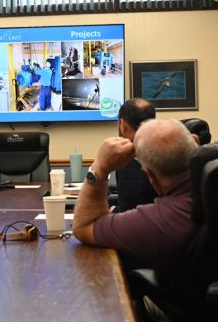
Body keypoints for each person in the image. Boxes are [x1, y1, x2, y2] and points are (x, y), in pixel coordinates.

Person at [72, 119, 199, 278]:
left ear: (150, 176)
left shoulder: (155, 222)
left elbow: (84, 227)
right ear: (196, 141)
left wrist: (100, 167)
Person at [112, 98, 157, 213]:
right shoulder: (162, 149)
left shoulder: (130, 157)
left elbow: (129, 211)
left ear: (122, 124)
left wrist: (112, 211)